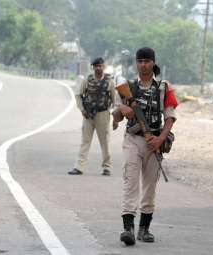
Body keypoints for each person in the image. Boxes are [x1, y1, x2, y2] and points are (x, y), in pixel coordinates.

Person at [113, 47, 178, 246]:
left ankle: (144, 228)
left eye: (147, 61)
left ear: (153, 63)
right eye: (140, 61)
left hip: (153, 142)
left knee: (150, 186)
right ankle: (128, 229)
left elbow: (169, 117)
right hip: (133, 139)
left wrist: (160, 139)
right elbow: (115, 118)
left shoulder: (164, 88)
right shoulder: (128, 87)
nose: (143, 64)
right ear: (136, 64)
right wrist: (122, 109)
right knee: (130, 182)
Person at [68, 57, 115, 176]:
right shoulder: (87, 80)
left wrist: (113, 114)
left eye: (100, 66)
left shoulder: (110, 81)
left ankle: (107, 167)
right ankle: (79, 167)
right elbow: (78, 95)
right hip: (88, 115)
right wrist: (82, 109)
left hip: (103, 114)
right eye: (96, 66)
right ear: (92, 67)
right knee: (85, 142)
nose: (98, 68)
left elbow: (114, 99)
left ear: (103, 66)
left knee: (105, 142)